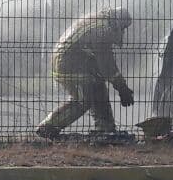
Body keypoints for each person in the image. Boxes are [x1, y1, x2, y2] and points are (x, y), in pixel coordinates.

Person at [37, 8, 135, 139]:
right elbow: (107, 65)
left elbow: (104, 65)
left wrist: (120, 86)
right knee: (83, 99)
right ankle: (48, 127)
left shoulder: (101, 22)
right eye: (122, 28)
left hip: (73, 62)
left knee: (97, 85)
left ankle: (106, 129)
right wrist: (122, 88)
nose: (122, 32)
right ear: (117, 24)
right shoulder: (102, 32)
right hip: (68, 65)